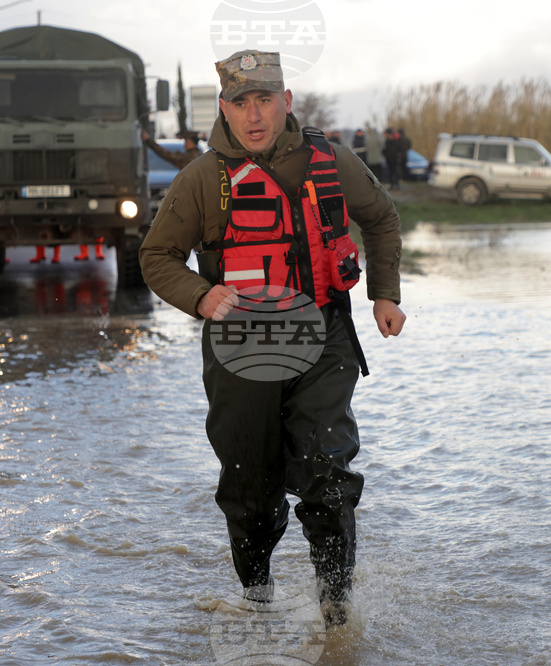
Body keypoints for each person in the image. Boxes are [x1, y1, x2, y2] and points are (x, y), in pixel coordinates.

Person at [139, 50, 405, 627]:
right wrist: (201, 296)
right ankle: (257, 603)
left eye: (265, 100)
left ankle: (337, 614)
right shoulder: (202, 179)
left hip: (323, 337)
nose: (254, 114)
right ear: (225, 110)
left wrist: (384, 293)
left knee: (327, 472)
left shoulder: (330, 161)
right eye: (241, 102)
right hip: (240, 351)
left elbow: (381, 217)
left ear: (286, 102)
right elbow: (156, 257)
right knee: (250, 491)